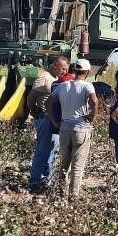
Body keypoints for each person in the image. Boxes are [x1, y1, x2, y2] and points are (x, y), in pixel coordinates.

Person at [46, 59, 98, 197]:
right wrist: (91, 116)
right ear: (87, 72)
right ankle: (73, 197)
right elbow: (94, 101)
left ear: (74, 70)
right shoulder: (88, 86)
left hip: (64, 128)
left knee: (64, 163)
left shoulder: (63, 86)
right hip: (81, 128)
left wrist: (54, 121)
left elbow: (48, 102)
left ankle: (59, 192)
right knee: (77, 166)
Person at [25, 56, 69, 192]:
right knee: (43, 150)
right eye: (63, 69)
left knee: (53, 150)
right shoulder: (44, 79)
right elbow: (30, 98)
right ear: (56, 65)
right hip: (44, 118)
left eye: (66, 70)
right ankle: (35, 180)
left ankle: (47, 180)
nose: (64, 72)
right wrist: (34, 112)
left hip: (53, 120)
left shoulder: (56, 79)